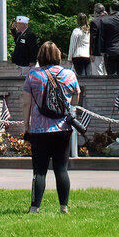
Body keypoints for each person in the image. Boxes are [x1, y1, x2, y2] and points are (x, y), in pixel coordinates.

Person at [18, 41, 79, 213]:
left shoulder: (33, 75)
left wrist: (26, 125)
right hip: (63, 129)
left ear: (40, 56)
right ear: (58, 56)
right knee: (61, 169)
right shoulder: (69, 75)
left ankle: (34, 208)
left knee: (39, 171)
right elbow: (75, 100)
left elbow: (26, 104)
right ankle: (63, 207)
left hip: (39, 130)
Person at [97, 1, 119, 76]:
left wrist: (102, 50)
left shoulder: (105, 20)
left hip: (111, 51)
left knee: (111, 76)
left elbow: (102, 37)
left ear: (110, 9)